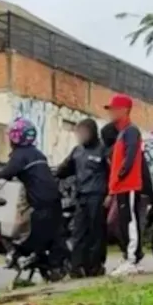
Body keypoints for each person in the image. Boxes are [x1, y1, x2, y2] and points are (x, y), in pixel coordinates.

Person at [0, 117, 70, 278]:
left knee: (33, 235)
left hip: (40, 203)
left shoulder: (20, 155)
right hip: (54, 200)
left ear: (15, 136)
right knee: (54, 235)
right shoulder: (37, 154)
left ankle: (24, 256)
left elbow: (6, 173)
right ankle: (52, 265)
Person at [55, 119, 109, 278]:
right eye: (79, 133)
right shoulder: (77, 151)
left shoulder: (103, 150)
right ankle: (77, 267)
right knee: (78, 233)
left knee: (96, 233)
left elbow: (112, 173)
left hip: (97, 196)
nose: (81, 136)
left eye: (84, 132)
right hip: (81, 197)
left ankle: (95, 266)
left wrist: (110, 194)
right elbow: (63, 169)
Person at [105, 93, 146, 276]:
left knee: (129, 222)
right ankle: (128, 256)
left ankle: (132, 260)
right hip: (120, 186)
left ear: (124, 110)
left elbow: (129, 158)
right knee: (121, 223)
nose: (111, 113)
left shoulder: (131, 131)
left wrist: (121, 176)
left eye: (114, 109)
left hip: (128, 185)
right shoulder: (121, 133)